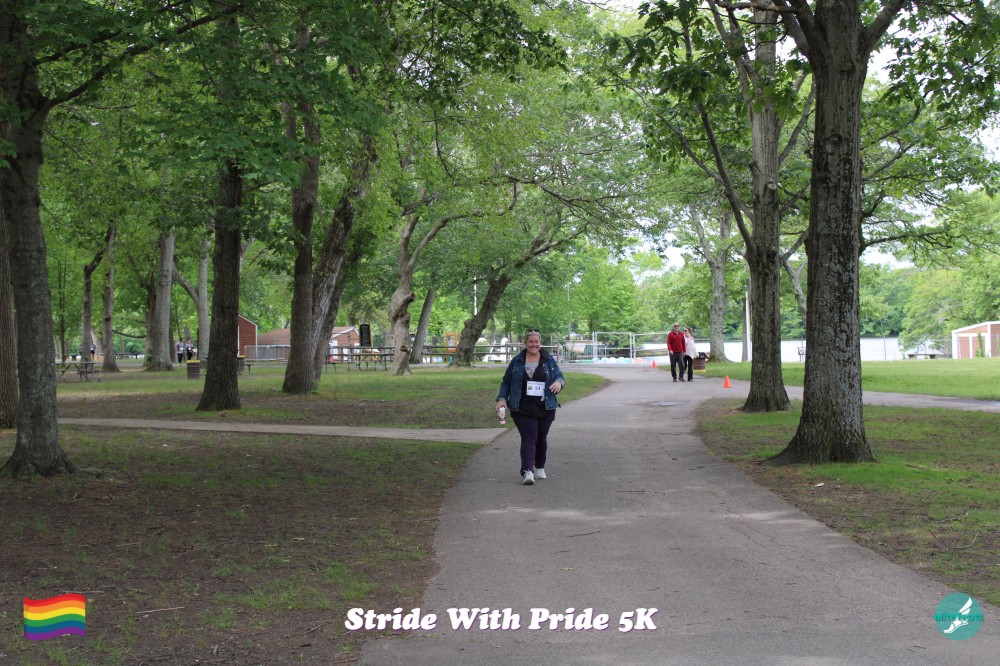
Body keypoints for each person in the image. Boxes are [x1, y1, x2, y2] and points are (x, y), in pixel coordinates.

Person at [496, 329, 566, 485]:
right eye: (531, 342)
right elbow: (506, 382)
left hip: (545, 406)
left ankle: (539, 467)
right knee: (529, 436)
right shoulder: (517, 361)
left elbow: (560, 376)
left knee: (541, 437)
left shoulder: (549, 360)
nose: (534, 345)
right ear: (525, 343)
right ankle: (527, 471)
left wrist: (558, 383)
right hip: (522, 407)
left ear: (540, 343)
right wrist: (502, 399)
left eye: (536, 342)